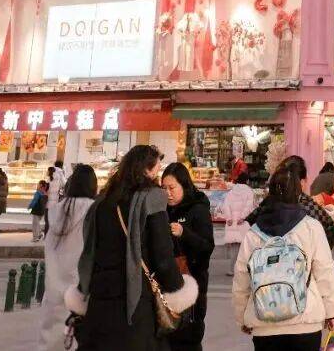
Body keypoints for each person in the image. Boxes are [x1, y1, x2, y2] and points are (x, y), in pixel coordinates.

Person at [67, 143, 197, 351]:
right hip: (135, 304)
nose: (157, 176)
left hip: (99, 299)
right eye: (156, 170)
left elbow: (90, 251)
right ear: (146, 170)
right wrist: (178, 291)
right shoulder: (151, 198)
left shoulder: (103, 201)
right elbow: (163, 257)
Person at [232, 159, 334, 349]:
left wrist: (242, 316)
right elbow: (325, 271)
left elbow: (242, 277)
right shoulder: (311, 227)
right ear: (298, 192)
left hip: (264, 323)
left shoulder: (254, 233)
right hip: (305, 321)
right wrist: (331, 311)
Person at [40, 164, 98, 351]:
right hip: (80, 291)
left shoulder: (56, 211)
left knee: (51, 341)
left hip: (53, 289)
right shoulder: (94, 211)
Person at [162, 161, 214, 351]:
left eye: (172, 188)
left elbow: (207, 247)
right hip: (166, 287)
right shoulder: (162, 210)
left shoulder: (198, 209)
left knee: (188, 338)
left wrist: (184, 233)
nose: (167, 193)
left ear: (184, 185)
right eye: (164, 188)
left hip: (192, 287)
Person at [253, 155, 334, 251]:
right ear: (301, 182)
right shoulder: (310, 208)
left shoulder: (267, 204)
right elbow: (332, 229)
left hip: (263, 257)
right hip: (304, 257)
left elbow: (250, 224)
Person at [29, 178, 50, 243]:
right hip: (42, 211)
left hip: (36, 210)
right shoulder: (46, 194)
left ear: (41, 185)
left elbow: (34, 200)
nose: (37, 186)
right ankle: (40, 233)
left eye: (38, 184)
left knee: (35, 224)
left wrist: (30, 206)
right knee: (37, 223)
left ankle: (35, 237)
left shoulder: (38, 193)